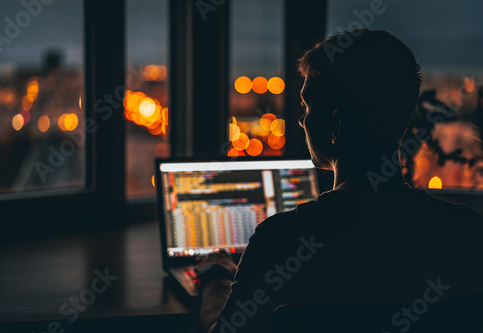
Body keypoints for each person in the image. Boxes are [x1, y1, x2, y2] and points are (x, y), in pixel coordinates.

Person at [196, 29, 483, 333]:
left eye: (307, 106)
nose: (301, 120)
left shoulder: (280, 240)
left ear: (336, 124)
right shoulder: (468, 232)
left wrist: (216, 278)